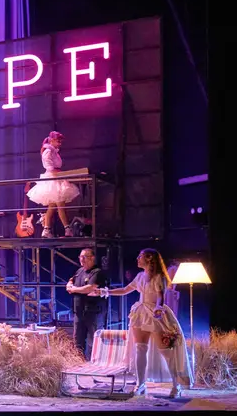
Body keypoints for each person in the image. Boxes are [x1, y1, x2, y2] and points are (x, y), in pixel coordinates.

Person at [98, 248, 189, 398]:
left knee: (166, 350)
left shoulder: (159, 277)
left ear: (149, 259)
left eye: (140, 256)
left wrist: (158, 308)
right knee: (140, 349)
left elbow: (160, 296)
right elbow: (125, 290)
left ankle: (176, 384)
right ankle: (140, 384)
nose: (137, 259)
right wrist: (106, 292)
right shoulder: (140, 276)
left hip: (154, 314)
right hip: (140, 313)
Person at [25, 131, 81, 238]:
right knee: (60, 204)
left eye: (60, 141)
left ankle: (46, 230)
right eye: (58, 141)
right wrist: (61, 174)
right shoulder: (48, 151)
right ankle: (67, 229)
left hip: (57, 177)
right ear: (51, 141)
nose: (60, 143)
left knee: (52, 206)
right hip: (52, 178)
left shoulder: (54, 151)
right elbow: (49, 167)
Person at [65, 248, 107, 358]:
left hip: (93, 312)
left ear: (92, 258)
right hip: (79, 312)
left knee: (94, 340)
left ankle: (96, 362)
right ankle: (80, 362)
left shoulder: (97, 272)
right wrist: (69, 285)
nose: (81, 259)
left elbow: (90, 288)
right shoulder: (79, 271)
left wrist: (74, 289)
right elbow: (71, 280)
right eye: (80, 257)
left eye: (84, 257)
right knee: (78, 340)